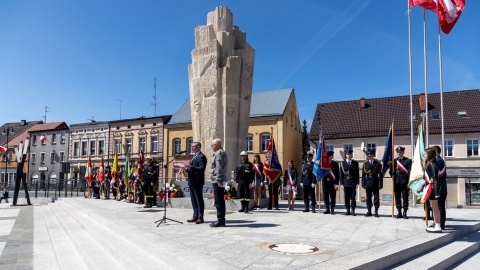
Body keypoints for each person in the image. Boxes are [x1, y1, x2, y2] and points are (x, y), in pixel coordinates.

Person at [185, 141, 207, 224]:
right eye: (192, 146)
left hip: (197, 181)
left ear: (198, 147)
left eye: (193, 146)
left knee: (198, 199)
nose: (192, 147)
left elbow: (201, 169)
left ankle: (200, 217)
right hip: (191, 181)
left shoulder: (202, 157)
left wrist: (191, 167)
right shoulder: (194, 157)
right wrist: (187, 169)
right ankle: (195, 216)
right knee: (193, 199)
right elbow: (192, 168)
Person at [209, 138, 228, 228]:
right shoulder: (220, 153)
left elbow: (219, 168)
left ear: (217, 145)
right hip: (218, 180)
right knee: (219, 200)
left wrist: (219, 180)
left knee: (219, 200)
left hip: (218, 180)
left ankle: (220, 220)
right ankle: (221, 219)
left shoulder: (219, 153)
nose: (211, 146)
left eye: (212, 145)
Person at [390, 146, 412, 219]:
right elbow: (390, 172)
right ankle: (399, 212)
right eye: (398, 152)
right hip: (396, 182)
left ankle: (405, 212)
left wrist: (409, 181)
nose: (399, 153)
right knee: (397, 197)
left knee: (405, 197)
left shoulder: (407, 161)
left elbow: (409, 172)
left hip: (404, 182)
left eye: (401, 152)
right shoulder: (394, 161)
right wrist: (392, 173)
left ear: (403, 152)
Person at [424, 147, 442, 233]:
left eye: (425, 154)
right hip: (431, 188)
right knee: (433, 206)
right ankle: (436, 223)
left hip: (433, 189)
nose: (424, 155)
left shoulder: (433, 165)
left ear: (429, 155)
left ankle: (438, 225)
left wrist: (436, 192)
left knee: (435, 207)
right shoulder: (430, 163)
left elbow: (435, 179)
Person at [362, 150, 383, 217]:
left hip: (375, 182)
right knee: (368, 197)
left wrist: (380, 183)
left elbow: (380, 174)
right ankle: (369, 211)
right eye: (369, 156)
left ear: (373, 156)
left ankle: (376, 211)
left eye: (371, 156)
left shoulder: (377, 164)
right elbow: (363, 175)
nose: (370, 157)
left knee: (376, 197)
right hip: (368, 182)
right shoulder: (365, 164)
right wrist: (363, 183)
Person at [340, 150, 359, 216]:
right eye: (347, 154)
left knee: (353, 197)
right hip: (346, 182)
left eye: (350, 154)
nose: (349, 156)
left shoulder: (355, 163)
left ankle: (353, 210)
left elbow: (357, 174)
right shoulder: (342, 163)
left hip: (353, 182)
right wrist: (341, 183)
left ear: (351, 155)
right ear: (346, 155)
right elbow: (341, 174)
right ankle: (347, 209)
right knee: (346, 197)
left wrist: (357, 183)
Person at [433, 145, 448, 230]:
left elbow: (434, 174)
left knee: (439, 206)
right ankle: (439, 222)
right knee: (440, 206)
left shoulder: (438, 160)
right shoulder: (440, 160)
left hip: (440, 188)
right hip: (442, 188)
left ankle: (440, 224)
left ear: (435, 152)